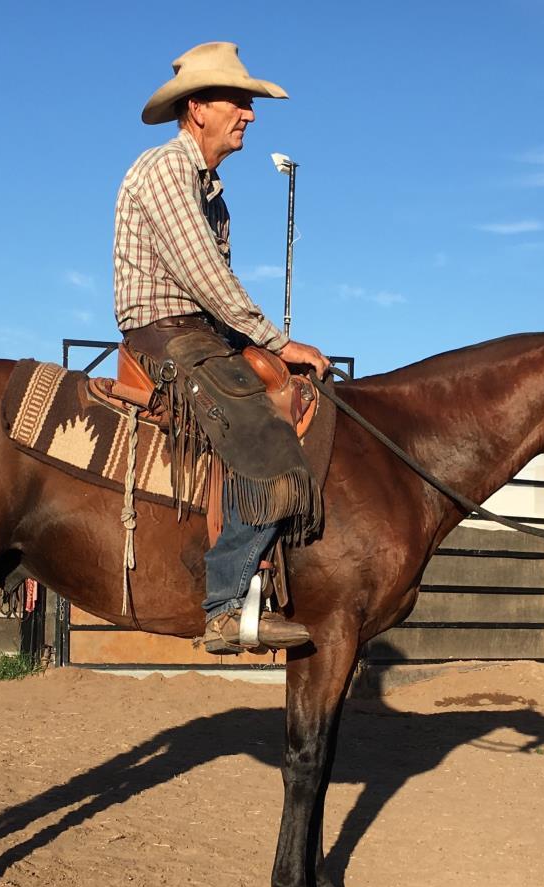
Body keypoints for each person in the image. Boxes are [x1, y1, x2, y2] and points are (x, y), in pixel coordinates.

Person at [114, 42, 330, 654]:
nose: (250, 114)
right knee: (264, 435)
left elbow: (216, 291)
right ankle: (226, 606)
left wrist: (262, 348)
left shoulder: (212, 194)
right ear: (198, 108)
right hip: (166, 335)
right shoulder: (165, 170)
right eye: (238, 101)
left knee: (285, 394)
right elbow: (208, 278)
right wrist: (279, 342)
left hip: (202, 333)